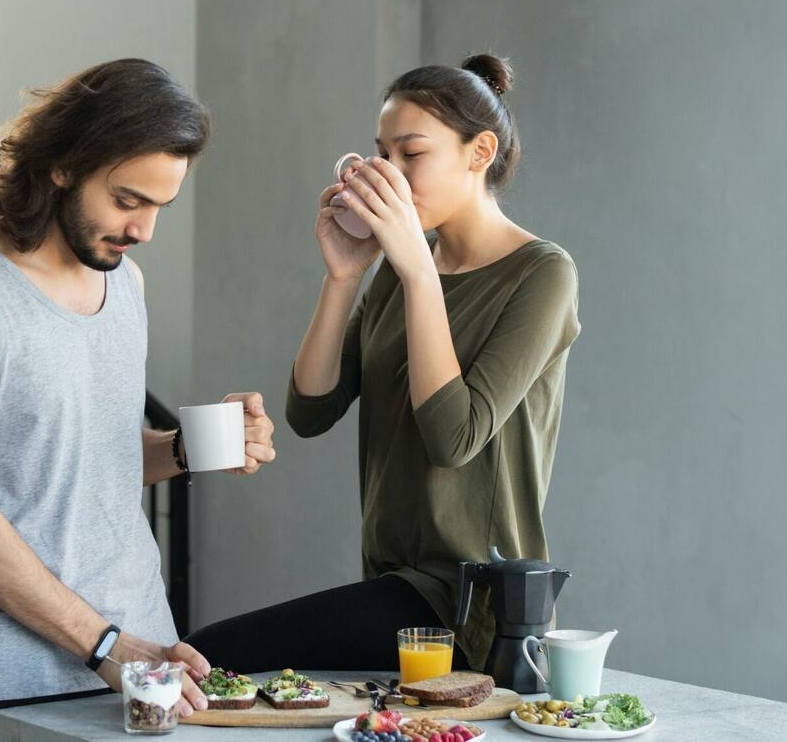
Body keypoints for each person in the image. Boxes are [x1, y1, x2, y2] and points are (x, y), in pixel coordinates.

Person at [0, 58, 278, 742]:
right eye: (128, 200)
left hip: (145, 671)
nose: (144, 230)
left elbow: (84, 457)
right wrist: (106, 645)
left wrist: (190, 449)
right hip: (7, 682)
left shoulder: (126, 285)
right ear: (64, 164)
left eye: (159, 206)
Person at [186, 55, 579, 676]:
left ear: (480, 152)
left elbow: (454, 436)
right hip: (393, 582)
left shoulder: (541, 274)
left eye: (411, 154)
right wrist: (344, 277)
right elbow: (310, 411)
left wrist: (418, 271)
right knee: (215, 668)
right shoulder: (401, 267)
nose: (388, 174)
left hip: (472, 602)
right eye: (381, 154)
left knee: (209, 658)